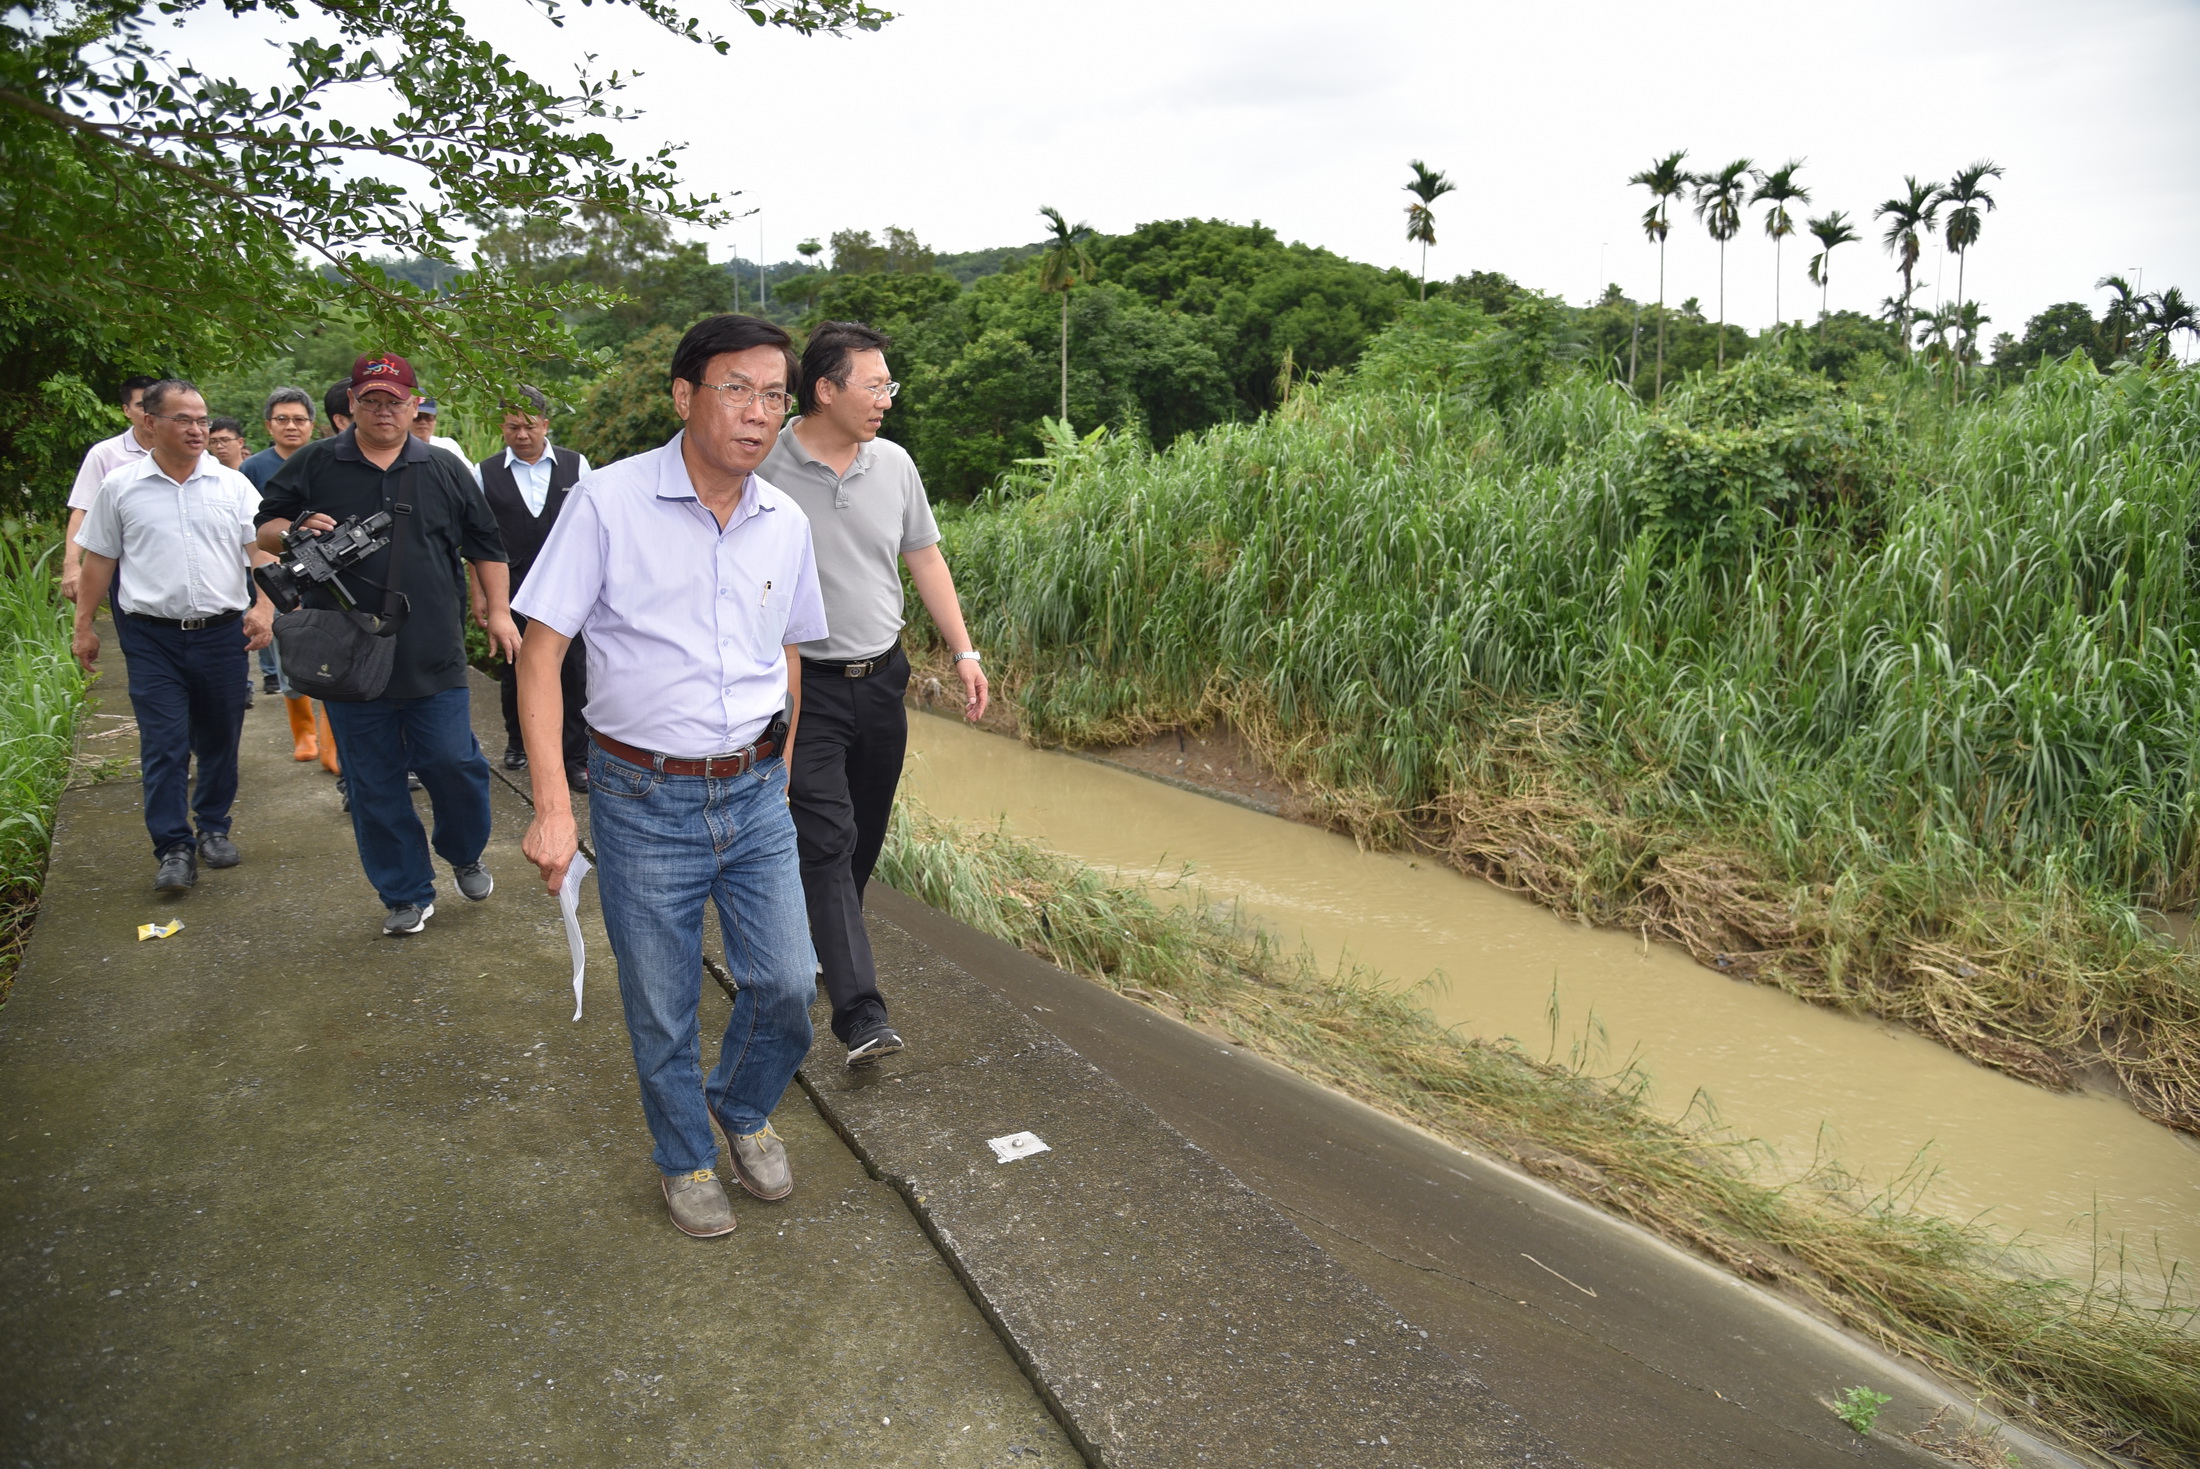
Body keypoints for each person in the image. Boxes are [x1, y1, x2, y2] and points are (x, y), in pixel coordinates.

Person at [515, 314, 825, 1239]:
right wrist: (553, 807)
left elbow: (790, 653)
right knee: (661, 1002)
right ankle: (684, 1153)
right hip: (642, 796)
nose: (759, 413)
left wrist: (784, 768)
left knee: (788, 984)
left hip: (755, 789)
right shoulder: (607, 502)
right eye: (737, 388)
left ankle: (737, 1104)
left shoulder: (786, 520)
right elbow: (540, 656)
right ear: (685, 396)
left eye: (775, 395)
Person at [760, 321, 988, 1067]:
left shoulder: (893, 464)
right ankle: (861, 1013)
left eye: (890, 384)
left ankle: (818, 939)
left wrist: (963, 651)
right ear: (825, 390)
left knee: (861, 833)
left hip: (881, 678)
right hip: (806, 686)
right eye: (875, 384)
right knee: (825, 838)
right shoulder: (766, 464)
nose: (887, 398)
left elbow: (923, 557)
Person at [258, 354, 522, 936]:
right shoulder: (317, 462)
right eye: (371, 400)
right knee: (373, 780)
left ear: (414, 404)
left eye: (395, 400)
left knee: (455, 763)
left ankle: (464, 851)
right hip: (347, 652)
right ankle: (404, 891)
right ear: (351, 404)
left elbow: (486, 544)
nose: (384, 410)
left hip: (432, 649)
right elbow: (265, 526)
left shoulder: (444, 467)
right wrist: (296, 529)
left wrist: (498, 612)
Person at [70, 381, 277, 892]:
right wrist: (83, 627)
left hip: (221, 632)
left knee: (220, 735)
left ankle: (212, 826)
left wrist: (265, 608)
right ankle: (173, 847)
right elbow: (99, 560)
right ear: (150, 423)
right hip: (150, 636)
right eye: (183, 419)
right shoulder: (119, 486)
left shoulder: (233, 487)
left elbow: (265, 554)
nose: (197, 429)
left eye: (203, 420)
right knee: (164, 743)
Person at [477, 386, 590, 787]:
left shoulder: (576, 466)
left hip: (568, 588)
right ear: (502, 428)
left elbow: (592, 532)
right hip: (513, 589)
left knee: (574, 671)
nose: (522, 435)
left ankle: (575, 757)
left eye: (529, 426)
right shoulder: (485, 473)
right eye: (512, 427)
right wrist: (485, 599)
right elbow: (477, 540)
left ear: (545, 423)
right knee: (515, 667)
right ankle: (518, 741)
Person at [240, 388, 322, 747]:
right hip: (274, 572)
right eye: (282, 419)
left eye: (299, 419)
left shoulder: (327, 459)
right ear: (268, 425)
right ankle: (304, 732)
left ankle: (333, 740)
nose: (292, 426)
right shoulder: (253, 468)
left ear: (312, 424)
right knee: (287, 650)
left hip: (326, 572)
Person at [60, 375, 159, 605]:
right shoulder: (105, 454)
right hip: (123, 564)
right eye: (141, 406)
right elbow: (83, 509)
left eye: (155, 406)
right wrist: (72, 563)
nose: (149, 413)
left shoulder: (188, 452)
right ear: (126, 410)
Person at [411, 398, 482, 486]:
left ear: (435, 420)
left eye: (428, 417)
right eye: (417, 417)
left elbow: (471, 476)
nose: (423, 422)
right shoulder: (396, 448)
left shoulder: (448, 445)